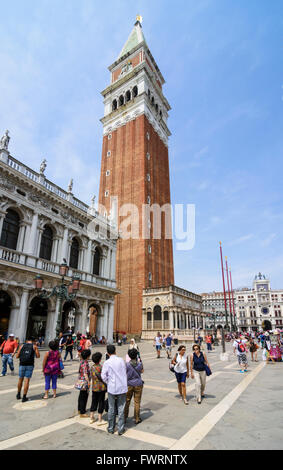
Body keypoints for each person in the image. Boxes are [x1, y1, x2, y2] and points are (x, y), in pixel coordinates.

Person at [101, 345, 128, 435]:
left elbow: (103, 376)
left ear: (108, 353)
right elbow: (125, 372)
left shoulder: (107, 362)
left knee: (111, 408)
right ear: (115, 351)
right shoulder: (121, 360)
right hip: (122, 387)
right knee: (121, 408)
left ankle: (111, 428)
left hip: (112, 387)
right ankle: (120, 429)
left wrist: (109, 381)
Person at [16, 336, 40, 402]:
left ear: (27, 340)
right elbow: (38, 356)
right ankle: (24, 397)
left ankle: (18, 394)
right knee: (27, 380)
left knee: (20, 379)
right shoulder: (34, 346)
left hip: (22, 364)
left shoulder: (22, 346)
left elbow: (17, 356)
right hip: (30, 365)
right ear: (33, 341)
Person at [124, 348, 144, 424]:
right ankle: (137, 418)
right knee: (137, 401)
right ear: (136, 355)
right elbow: (142, 371)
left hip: (129, 384)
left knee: (127, 401)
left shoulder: (127, 364)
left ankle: (124, 417)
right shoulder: (139, 364)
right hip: (138, 384)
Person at [90, 352, 107, 425]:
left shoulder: (92, 367)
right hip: (101, 388)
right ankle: (100, 419)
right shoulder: (101, 367)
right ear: (100, 360)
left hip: (94, 387)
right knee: (101, 402)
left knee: (94, 401)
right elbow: (104, 377)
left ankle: (91, 417)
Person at [77, 349, 91, 417]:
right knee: (84, 396)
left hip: (80, 380)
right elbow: (85, 374)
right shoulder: (85, 363)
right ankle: (82, 412)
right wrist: (88, 382)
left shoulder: (82, 361)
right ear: (88, 356)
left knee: (81, 396)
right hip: (84, 382)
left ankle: (79, 409)